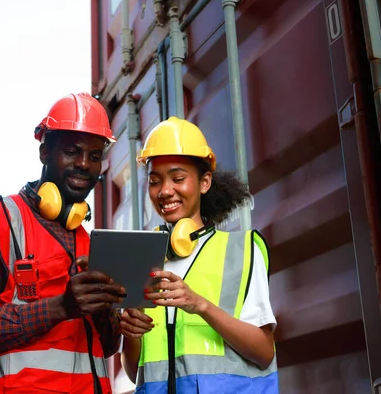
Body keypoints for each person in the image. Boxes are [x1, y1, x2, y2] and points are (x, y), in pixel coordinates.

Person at [0, 93, 126, 394]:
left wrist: (111, 318)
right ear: (44, 152)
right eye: (72, 151)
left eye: (94, 156)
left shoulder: (89, 243)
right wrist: (60, 307)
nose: (83, 163)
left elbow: (101, 350)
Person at [119, 117, 279, 393]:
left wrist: (199, 305)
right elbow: (136, 374)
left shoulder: (241, 251)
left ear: (205, 182)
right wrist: (131, 334)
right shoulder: (142, 256)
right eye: (155, 181)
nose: (165, 191)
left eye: (178, 178)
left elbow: (264, 353)